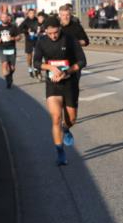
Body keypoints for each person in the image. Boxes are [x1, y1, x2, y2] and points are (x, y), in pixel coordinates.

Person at [34, 15, 87, 166]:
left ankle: (66, 128)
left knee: (71, 119)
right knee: (56, 117)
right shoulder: (42, 41)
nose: (53, 36)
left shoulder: (70, 39)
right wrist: (50, 67)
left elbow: (82, 61)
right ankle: (60, 152)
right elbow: (36, 62)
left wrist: (67, 72)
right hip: (53, 84)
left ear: (60, 28)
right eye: (49, 33)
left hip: (70, 83)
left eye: (55, 32)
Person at [0, 10, 22, 89]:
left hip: (11, 48)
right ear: (0, 18)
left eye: (5, 17)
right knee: (4, 64)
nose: (4, 18)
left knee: (12, 67)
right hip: (2, 48)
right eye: (2, 17)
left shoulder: (13, 27)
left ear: (8, 18)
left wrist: (13, 38)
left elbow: (19, 37)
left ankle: (10, 76)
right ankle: (7, 80)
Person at [21, 8, 41, 79]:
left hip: (36, 40)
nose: (32, 15)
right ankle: (30, 69)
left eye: (33, 13)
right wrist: (26, 30)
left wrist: (40, 30)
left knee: (37, 55)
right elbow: (20, 28)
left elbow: (42, 26)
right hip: (29, 40)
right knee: (29, 56)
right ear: (28, 14)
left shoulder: (37, 20)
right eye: (30, 13)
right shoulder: (26, 21)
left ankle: (36, 69)